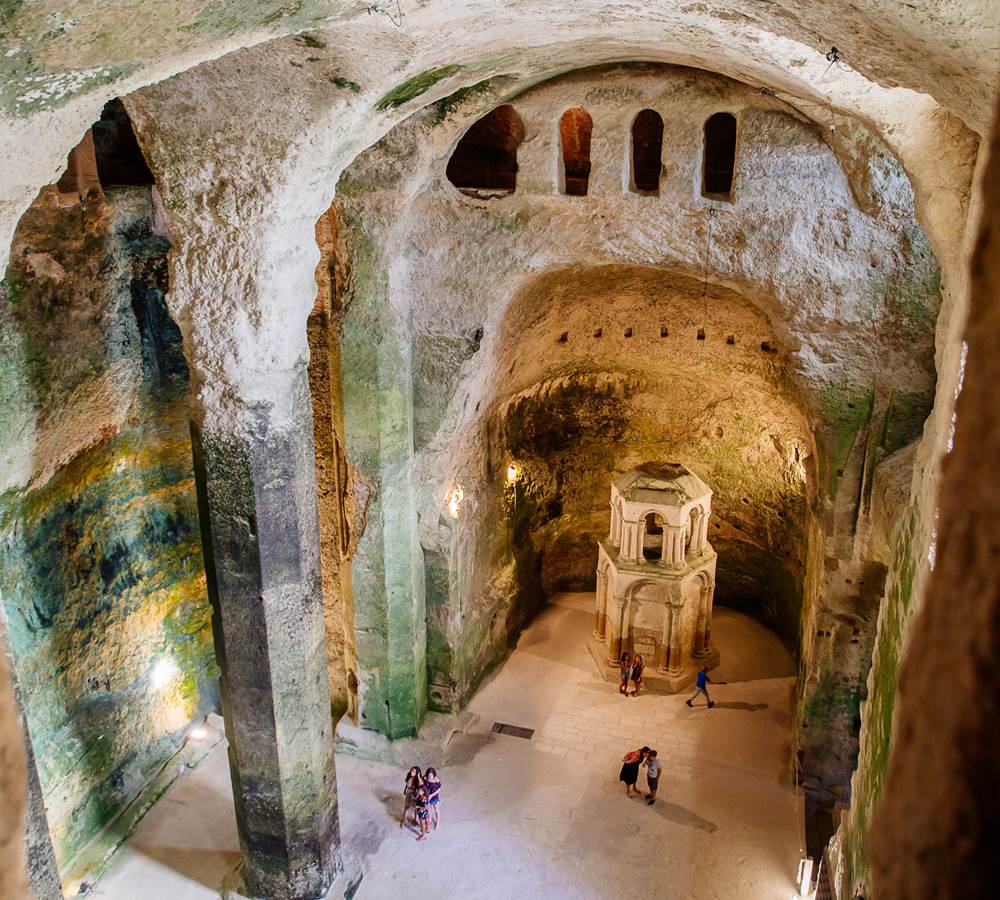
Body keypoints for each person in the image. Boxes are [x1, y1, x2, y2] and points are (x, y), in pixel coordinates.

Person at [424, 766, 442, 831]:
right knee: (429, 809)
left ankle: (438, 822)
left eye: (431, 775)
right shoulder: (426, 779)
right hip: (428, 797)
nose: (429, 777)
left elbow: (439, 789)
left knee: (436, 810)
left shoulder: (436, 780)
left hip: (434, 797)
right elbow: (425, 788)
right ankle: (430, 818)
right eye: (428, 775)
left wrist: (431, 795)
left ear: (433, 774)